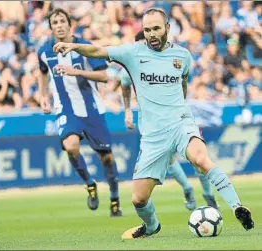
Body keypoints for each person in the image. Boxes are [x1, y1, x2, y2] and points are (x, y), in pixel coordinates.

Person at [53, 8, 254, 239]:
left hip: (180, 123)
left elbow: (183, 84)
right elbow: (98, 50)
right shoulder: (132, 53)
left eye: (156, 28)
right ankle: (151, 227)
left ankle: (237, 206)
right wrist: (73, 46)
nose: (151, 34)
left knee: (201, 159)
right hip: (153, 136)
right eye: (147, 30)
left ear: (167, 28)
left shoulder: (182, 56)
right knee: (138, 199)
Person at [120, 30, 218, 211]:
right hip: (152, 121)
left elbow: (183, 81)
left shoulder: (167, 60)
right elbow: (124, 84)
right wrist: (127, 110)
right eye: (142, 44)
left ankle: (207, 193)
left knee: (198, 157)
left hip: (177, 116)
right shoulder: (131, 66)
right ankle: (188, 189)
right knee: (170, 159)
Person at [38, 8, 122, 217]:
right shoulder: (44, 51)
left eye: (61, 21)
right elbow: (42, 72)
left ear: (69, 24)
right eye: (54, 22)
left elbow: (104, 76)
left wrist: (77, 72)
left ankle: (114, 199)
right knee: (71, 145)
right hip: (66, 108)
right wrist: (43, 96)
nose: (58, 25)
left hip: (91, 109)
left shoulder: (84, 46)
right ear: (51, 27)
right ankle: (89, 183)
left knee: (107, 159)